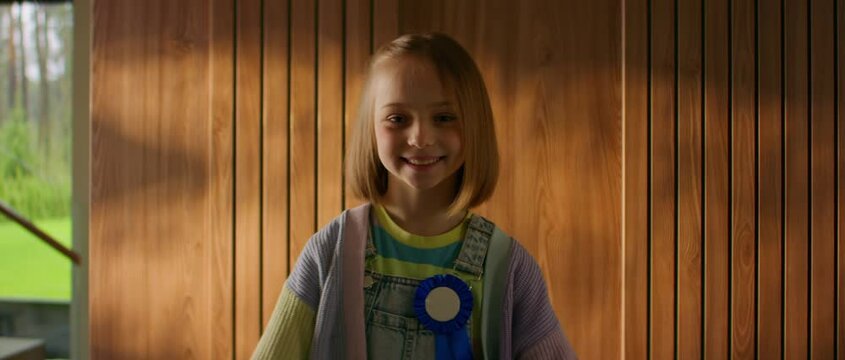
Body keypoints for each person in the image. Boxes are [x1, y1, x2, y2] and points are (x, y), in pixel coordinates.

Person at [252, 32, 576, 359]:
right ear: (371, 128)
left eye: (444, 118)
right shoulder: (330, 251)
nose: (420, 138)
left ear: (475, 124)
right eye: (398, 119)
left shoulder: (509, 268)